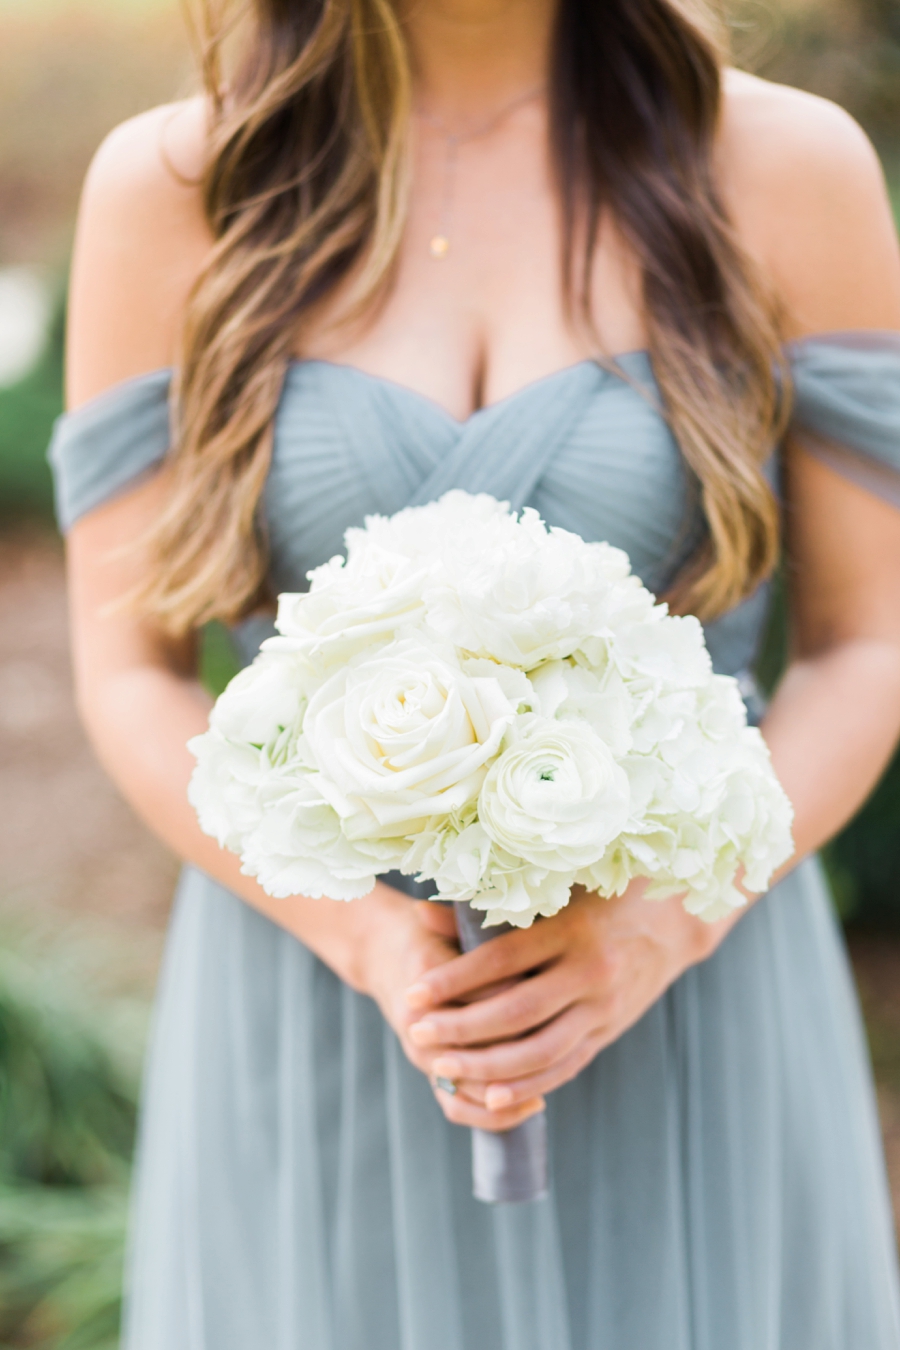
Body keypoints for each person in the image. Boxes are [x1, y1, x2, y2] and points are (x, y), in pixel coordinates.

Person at [49, 0, 900, 1344]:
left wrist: (662, 924)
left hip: (692, 983)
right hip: (316, 993)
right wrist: (362, 935)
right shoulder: (176, 188)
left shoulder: (786, 168)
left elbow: (870, 645)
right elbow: (128, 672)